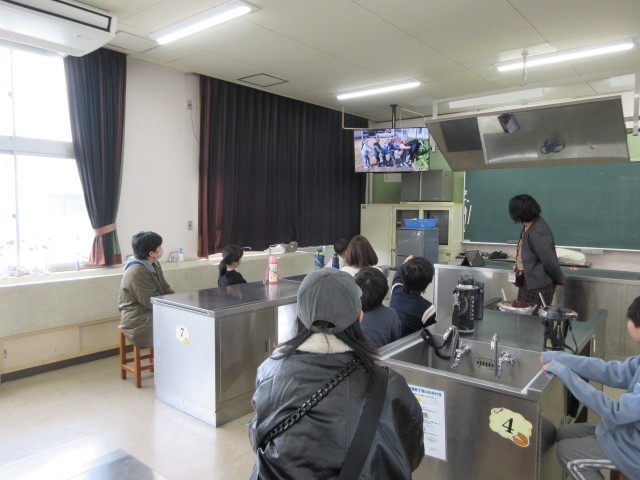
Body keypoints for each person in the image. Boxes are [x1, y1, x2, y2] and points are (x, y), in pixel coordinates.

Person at [247, 269, 424, 479]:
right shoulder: (389, 385)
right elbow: (410, 453)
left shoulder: (269, 370)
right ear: (360, 317)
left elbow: (258, 435)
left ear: (300, 316)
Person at [540, 295, 640, 480]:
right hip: (627, 432)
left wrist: (565, 373)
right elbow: (613, 371)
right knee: (563, 433)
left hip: (633, 450)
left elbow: (615, 411)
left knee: (567, 453)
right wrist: (561, 358)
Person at [118, 231, 174, 348]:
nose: (161, 249)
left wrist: (180, 304)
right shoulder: (137, 271)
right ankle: (169, 357)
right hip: (138, 320)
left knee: (185, 318)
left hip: (151, 312)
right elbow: (151, 302)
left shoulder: (154, 264)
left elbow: (165, 288)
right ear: (152, 253)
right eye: (159, 247)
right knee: (179, 324)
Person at [509, 194, 564, 308]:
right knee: (522, 314)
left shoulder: (538, 232)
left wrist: (559, 280)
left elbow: (549, 261)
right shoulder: (528, 225)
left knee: (531, 317)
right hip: (528, 281)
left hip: (538, 285)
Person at [389, 255, 436, 337]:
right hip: (409, 344)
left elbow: (398, 274)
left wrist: (405, 264)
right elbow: (432, 335)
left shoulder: (396, 291)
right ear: (428, 281)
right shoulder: (427, 308)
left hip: (391, 342)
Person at [355, 267, 402, 348]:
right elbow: (396, 345)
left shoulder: (349, 318)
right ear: (385, 290)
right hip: (383, 355)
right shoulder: (391, 315)